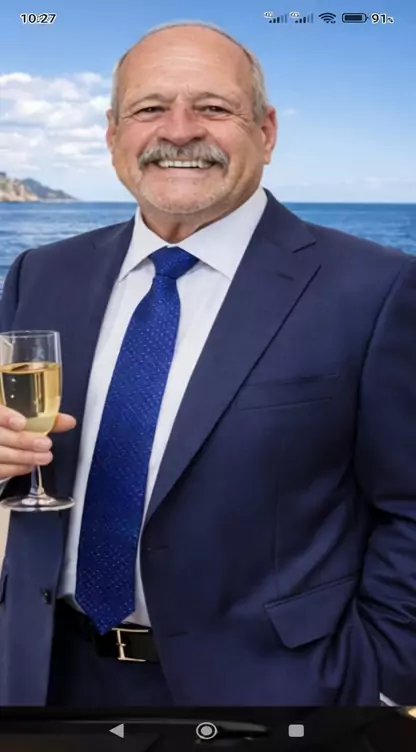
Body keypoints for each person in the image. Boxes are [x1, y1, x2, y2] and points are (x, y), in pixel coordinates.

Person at [0, 19, 415, 708]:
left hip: (277, 694)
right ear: (113, 134)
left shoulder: (376, 288)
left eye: (214, 107)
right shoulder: (40, 274)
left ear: (267, 132)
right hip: (45, 677)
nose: (180, 130)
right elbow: (20, 468)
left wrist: (379, 677)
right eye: (149, 108)